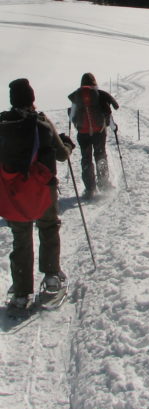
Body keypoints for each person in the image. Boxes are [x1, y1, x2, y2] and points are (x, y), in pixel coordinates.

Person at [0, 78, 74, 311]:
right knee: (48, 228)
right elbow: (61, 155)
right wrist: (67, 144)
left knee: (21, 238)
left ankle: (21, 292)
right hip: (43, 191)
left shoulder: (2, 125)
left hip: (14, 195)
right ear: (31, 98)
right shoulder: (42, 124)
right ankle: (51, 276)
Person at [68, 73, 119, 200]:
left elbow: (72, 116)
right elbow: (108, 114)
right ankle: (104, 184)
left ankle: (90, 189)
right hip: (99, 132)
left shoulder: (77, 96)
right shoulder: (99, 95)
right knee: (100, 156)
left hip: (83, 134)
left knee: (86, 159)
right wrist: (113, 127)